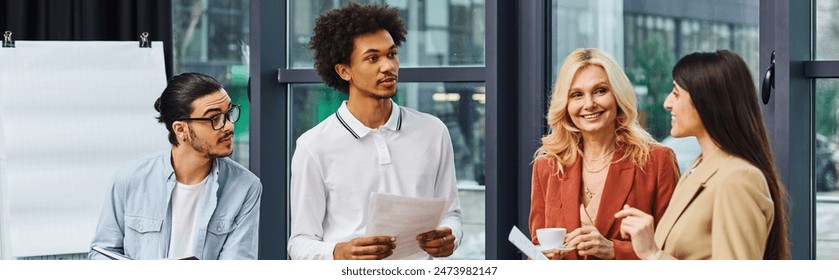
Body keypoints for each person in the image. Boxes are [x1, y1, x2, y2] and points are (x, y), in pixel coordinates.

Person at [287, 3, 462, 260]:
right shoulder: (313, 146)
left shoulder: (433, 131)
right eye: (373, 58)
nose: (388, 66)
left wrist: (451, 237)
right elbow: (300, 243)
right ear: (344, 70)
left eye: (391, 54)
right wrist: (339, 252)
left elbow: (452, 214)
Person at [615, 50, 790, 260]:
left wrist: (653, 254)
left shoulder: (737, 180)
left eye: (676, 93)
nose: (667, 103)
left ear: (707, 102)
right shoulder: (697, 168)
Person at [89, 73, 262, 260]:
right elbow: (100, 254)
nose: (229, 126)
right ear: (180, 129)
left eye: (228, 114)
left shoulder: (246, 186)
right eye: (215, 119)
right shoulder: (130, 179)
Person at [530, 48, 679, 260]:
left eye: (600, 91)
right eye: (576, 95)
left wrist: (613, 250)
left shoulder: (657, 161)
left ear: (617, 95)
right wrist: (537, 259)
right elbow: (537, 247)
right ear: (566, 104)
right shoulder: (547, 166)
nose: (589, 104)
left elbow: (675, 250)